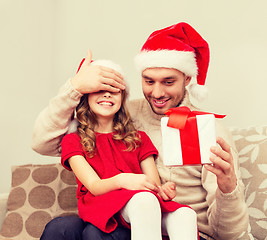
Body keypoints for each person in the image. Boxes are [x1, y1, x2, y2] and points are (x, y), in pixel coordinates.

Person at [32, 22, 249, 240]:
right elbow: (43, 142)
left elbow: (232, 234)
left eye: (168, 82)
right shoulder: (123, 115)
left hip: (176, 225)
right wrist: (75, 87)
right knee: (60, 228)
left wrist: (228, 188)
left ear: (188, 78)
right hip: (124, 216)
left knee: (99, 232)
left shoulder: (209, 129)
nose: (157, 92)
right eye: (149, 81)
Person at [60, 59, 198, 240]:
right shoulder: (73, 140)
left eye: (114, 91)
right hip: (103, 203)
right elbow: (94, 186)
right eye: (100, 90)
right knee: (144, 200)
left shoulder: (138, 138)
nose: (107, 95)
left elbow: (152, 185)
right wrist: (123, 180)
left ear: (122, 97)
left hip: (141, 203)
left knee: (185, 215)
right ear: (85, 97)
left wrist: (162, 190)